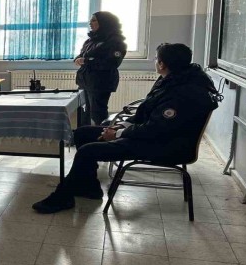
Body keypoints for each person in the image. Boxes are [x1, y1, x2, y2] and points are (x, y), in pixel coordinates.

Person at [32, 43, 221, 214]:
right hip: (154, 136)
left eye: (156, 59)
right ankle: (88, 187)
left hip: (165, 145)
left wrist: (118, 134)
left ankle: (63, 197)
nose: (155, 62)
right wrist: (121, 125)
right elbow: (146, 112)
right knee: (82, 134)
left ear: (162, 64)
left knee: (87, 151)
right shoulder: (174, 80)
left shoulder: (182, 93)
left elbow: (155, 129)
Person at [74, 11, 128, 125]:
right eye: (90, 20)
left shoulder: (115, 41)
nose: (90, 23)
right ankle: (84, 137)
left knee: (97, 113)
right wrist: (78, 59)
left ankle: (100, 136)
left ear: (104, 23)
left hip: (100, 83)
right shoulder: (90, 40)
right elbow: (82, 55)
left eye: (94, 20)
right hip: (85, 81)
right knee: (84, 112)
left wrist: (87, 61)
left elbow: (112, 62)